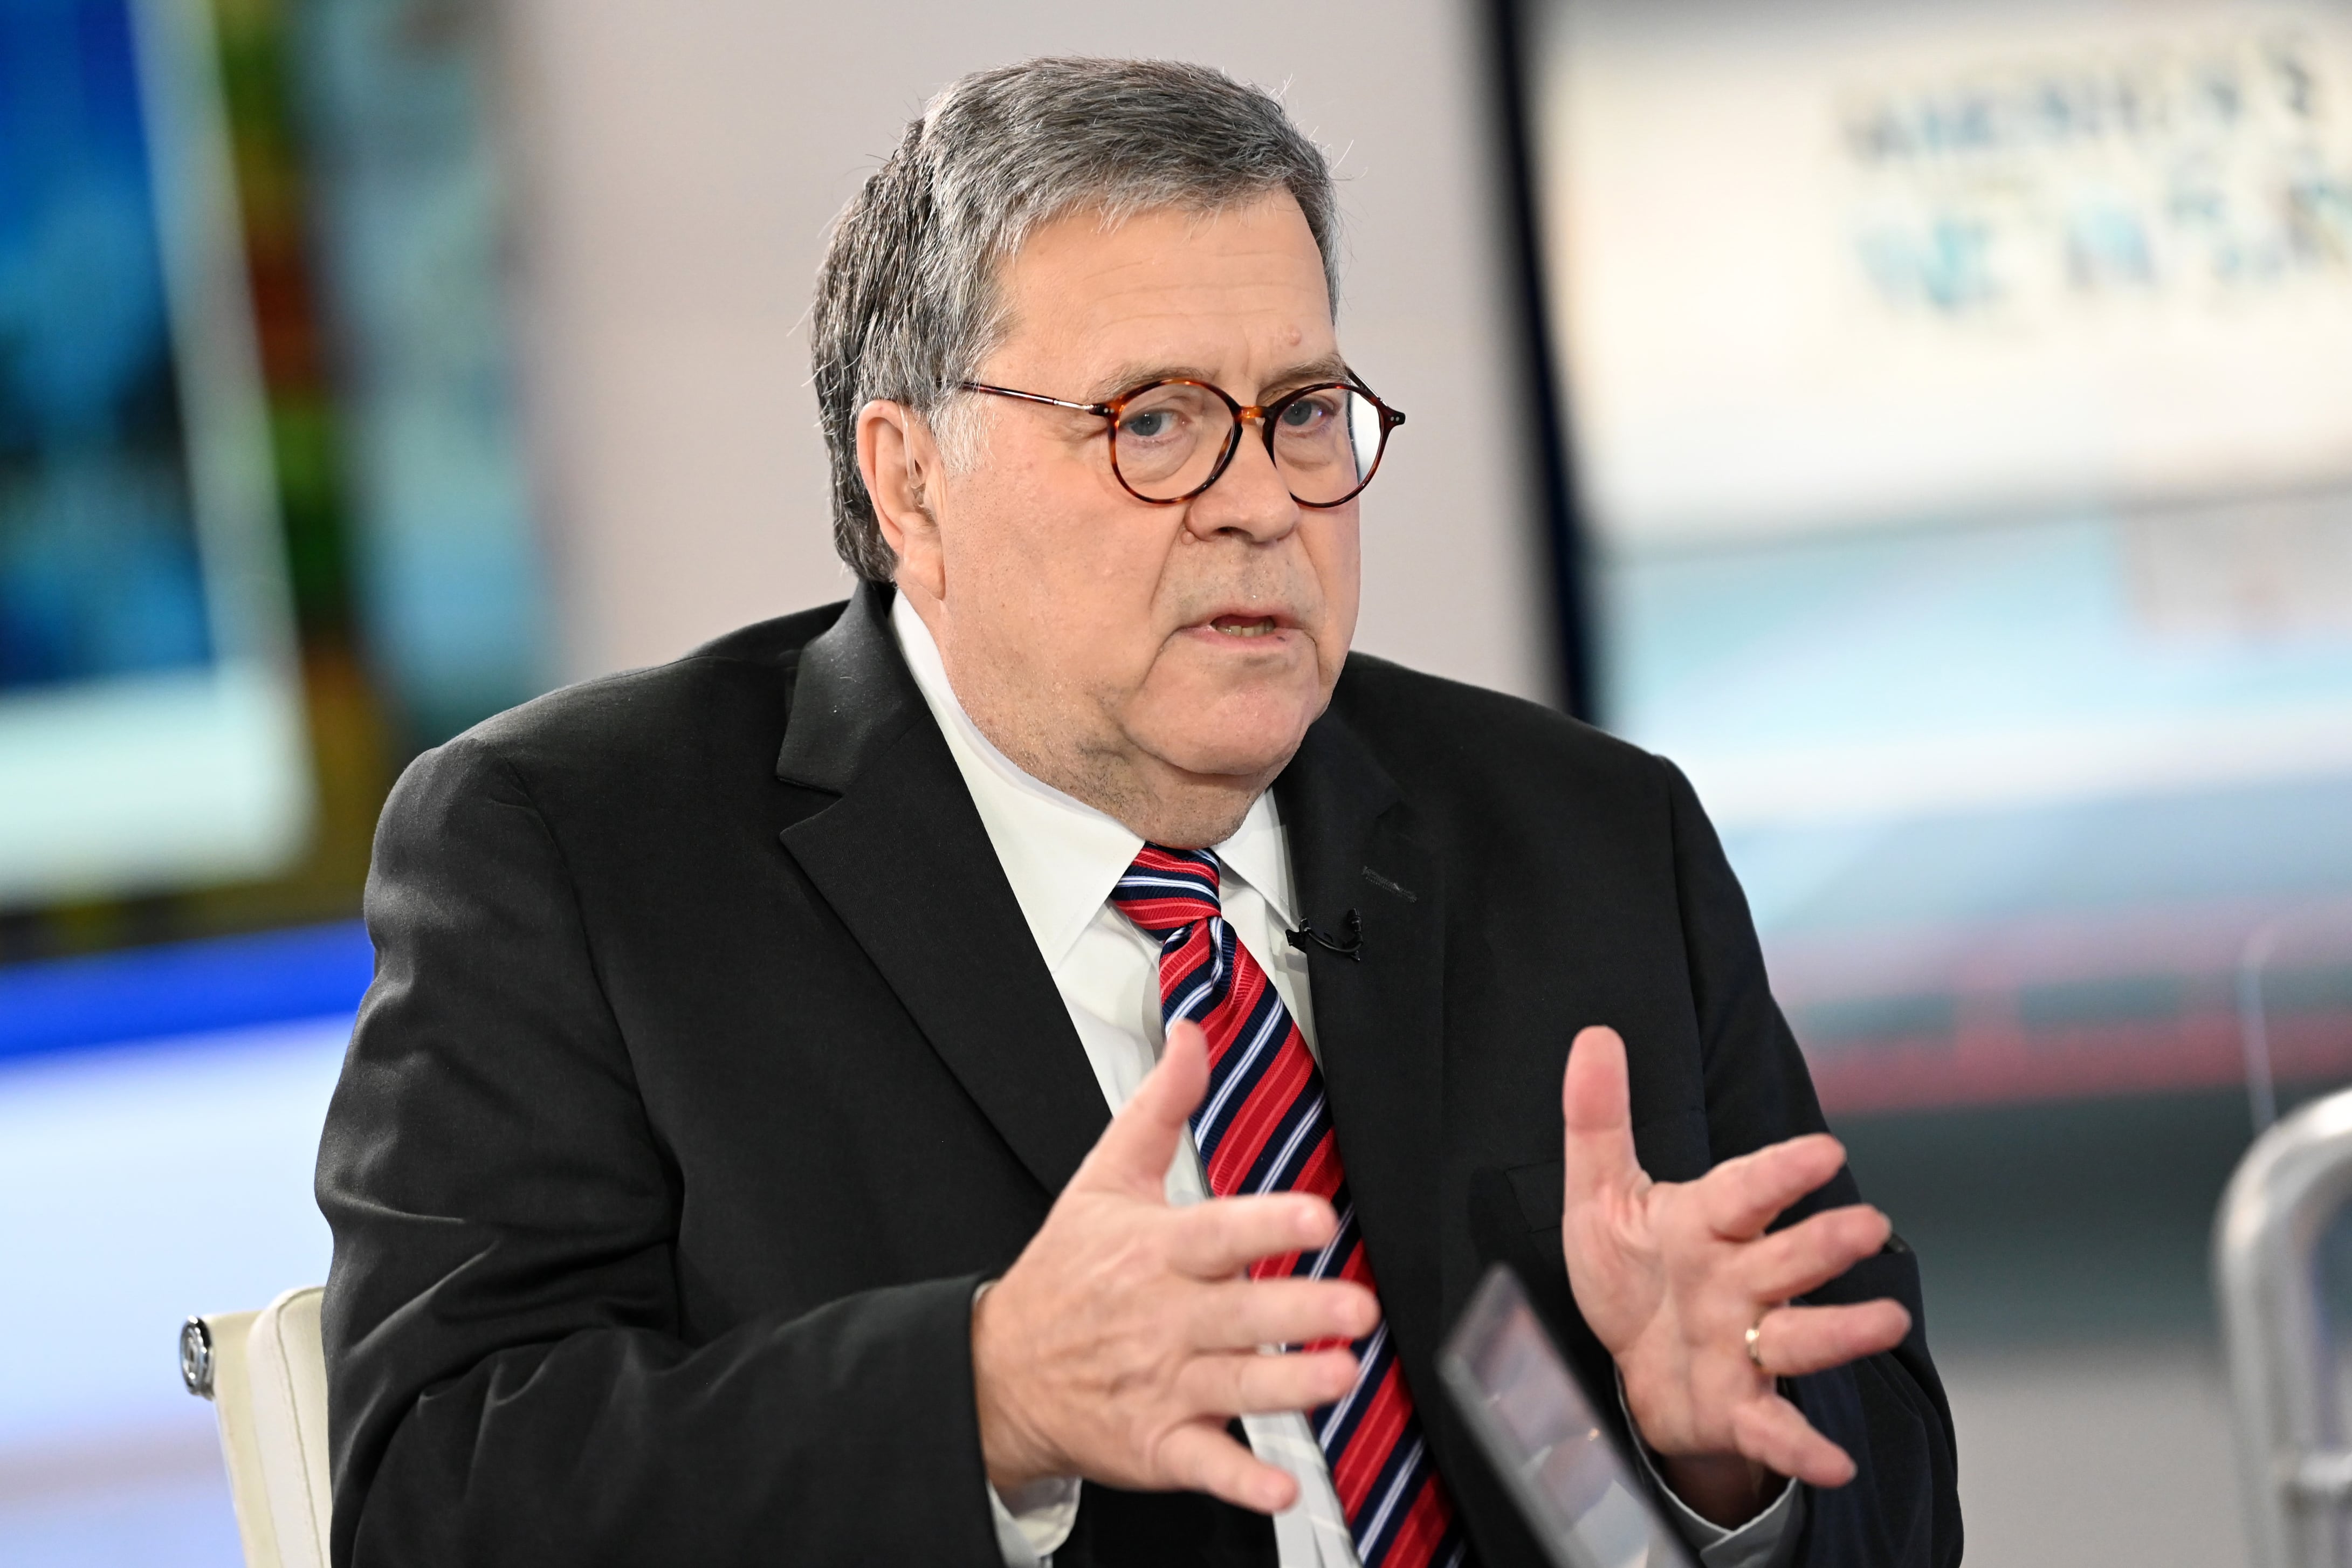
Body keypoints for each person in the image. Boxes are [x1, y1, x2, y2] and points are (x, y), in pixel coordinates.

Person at [317, 57, 1958, 1568]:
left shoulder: (1590, 836)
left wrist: (1707, 1475)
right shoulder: (578, 857)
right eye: (1152, 422)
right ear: (910, 484)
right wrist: (978, 1398)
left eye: (1304, 411)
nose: (1258, 503)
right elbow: (439, 1497)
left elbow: (1892, 1496)